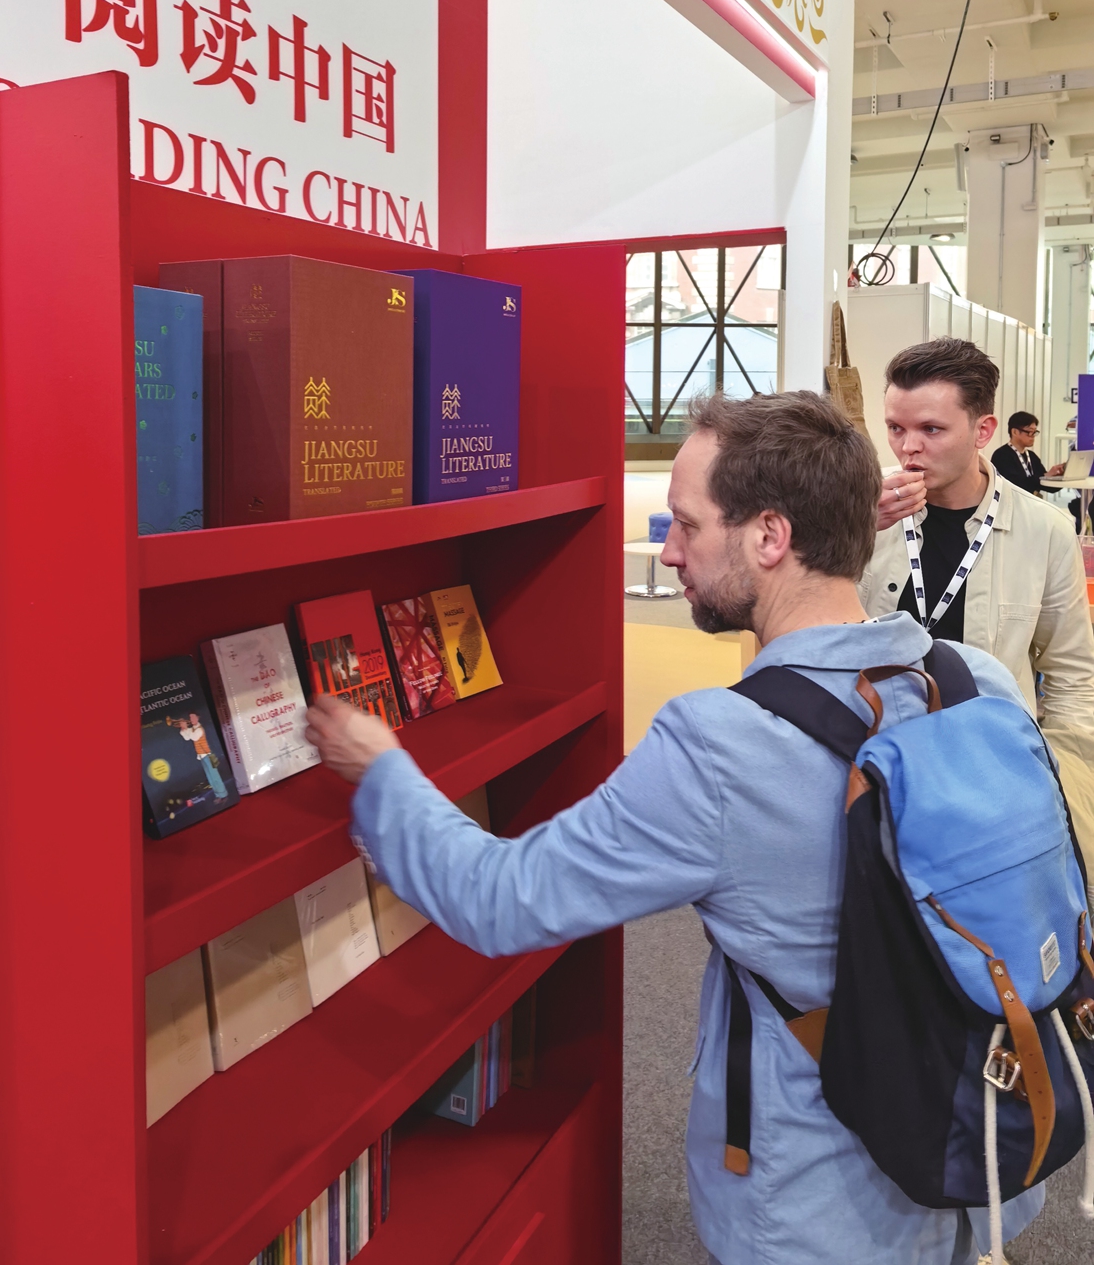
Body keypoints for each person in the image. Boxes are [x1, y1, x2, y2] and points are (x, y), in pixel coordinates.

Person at [306, 390, 1041, 1265]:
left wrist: (381, 767)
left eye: (686, 525)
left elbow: (501, 898)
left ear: (770, 536)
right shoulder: (976, 679)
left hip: (827, 1205)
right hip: (994, 1148)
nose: (668, 551)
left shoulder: (718, 744)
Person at [860, 337, 1094, 902]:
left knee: (981, 948)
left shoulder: (1043, 531)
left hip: (990, 778)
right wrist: (852, 533)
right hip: (871, 769)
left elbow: (1071, 677)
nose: (907, 449)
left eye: (931, 430)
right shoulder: (858, 518)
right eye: (895, 428)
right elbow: (797, 630)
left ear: (983, 431)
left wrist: (1061, 783)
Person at [989, 410, 1063, 496]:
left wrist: (1060, 476)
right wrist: (1046, 476)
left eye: (1034, 432)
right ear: (1015, 432)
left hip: (1030, 504)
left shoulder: (1032, 456)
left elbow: (1045, 485)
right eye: (1029, 432)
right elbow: (1016, 485)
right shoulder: (1002, 455)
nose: (1033, 436)